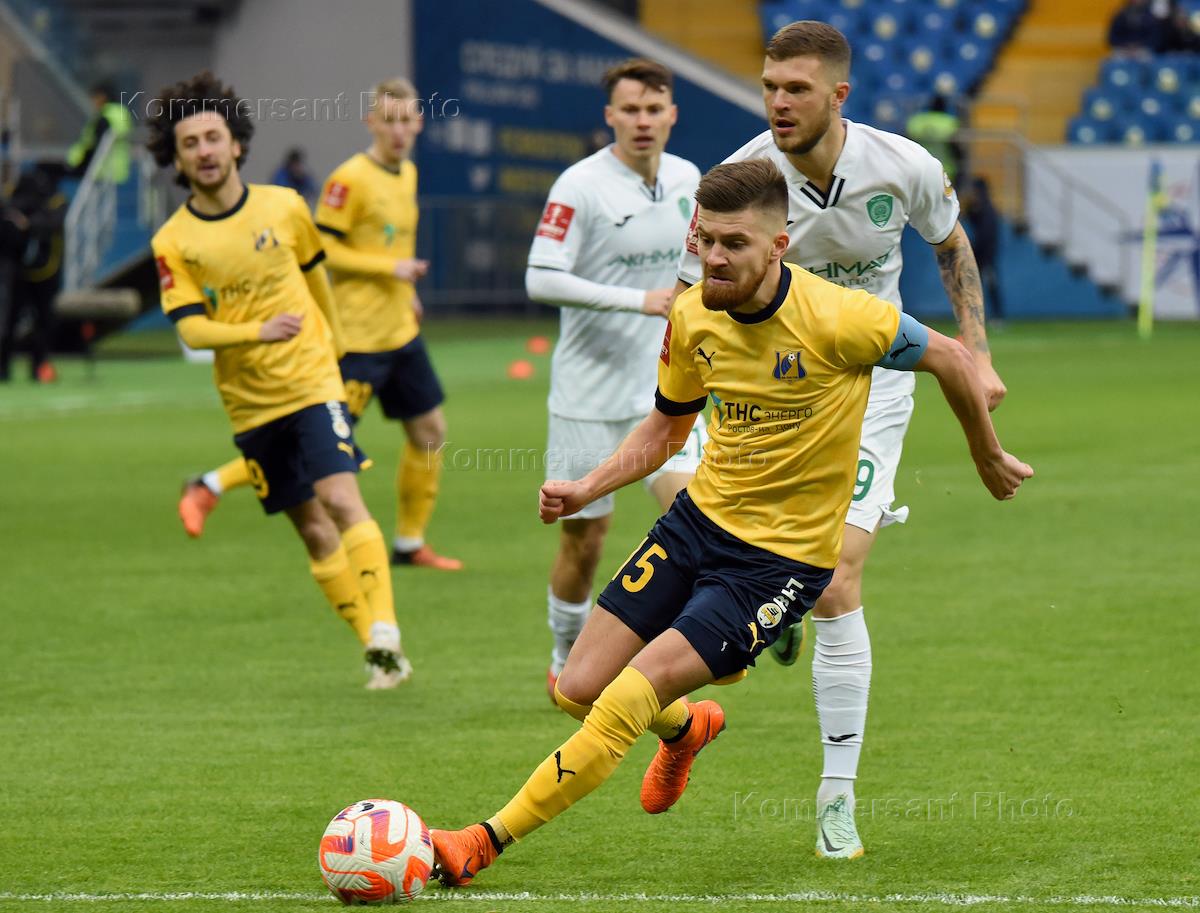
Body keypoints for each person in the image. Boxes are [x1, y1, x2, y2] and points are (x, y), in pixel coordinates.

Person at [428, 159, 1033, 885]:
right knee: (577, 687)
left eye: (735, 243)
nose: (715, 257)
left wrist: (986, 455)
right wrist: (587, 484)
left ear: (779, 245)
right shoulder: (692, 316)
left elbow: (952, 357)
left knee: (628, 695)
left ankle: (481, 842)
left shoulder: (842, 318)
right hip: (696, 524)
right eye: (707, 240)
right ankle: (689, 727)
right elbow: (665, 429)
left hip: (776, 563)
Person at [673, 20, 1007, 859]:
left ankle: (836, 800)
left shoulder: (903, 165)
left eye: (796, 88)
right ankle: (779, 598)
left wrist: (976, 351)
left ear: (838, 95)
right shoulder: (744, 179)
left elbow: (951, 245)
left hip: (872, 384)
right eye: (769, 87)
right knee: (771, 571)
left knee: (837, 580)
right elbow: (693, 293)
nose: (778, 102)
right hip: (769, 394)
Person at [147, 71, 411, 689]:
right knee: (313, 530)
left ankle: (385, 626)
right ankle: (378, 655)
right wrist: (256, 331)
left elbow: (318, 278)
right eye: (191, 143)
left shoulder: (285, 207)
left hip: (313, 381)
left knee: (341, 500)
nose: (205, 151)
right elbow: (192, 331)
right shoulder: (173, 241)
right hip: (249, 403)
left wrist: (337, 348)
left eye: (214, 137)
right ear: (177, 160)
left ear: (236, 143)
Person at [179, 78, 461, 572]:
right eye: (388, 121)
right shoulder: (349, 180)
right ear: (370, 122)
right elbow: (324, 250)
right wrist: (389, 270)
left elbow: (391, 244)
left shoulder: (409, 173)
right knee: (314, 448)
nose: (398, 131)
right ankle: (209, 485)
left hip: (401, 333)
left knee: (431, 431)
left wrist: (407, 290)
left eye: (406, 120)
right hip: (356, 340)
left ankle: (410, 542)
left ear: (419, 122)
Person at [525, 58, 705, 700]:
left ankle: (717, 640)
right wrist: (639, 300)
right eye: (630, 109)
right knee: (585, 542)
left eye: (654, 109)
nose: (642, 121)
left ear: (672, 115)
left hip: (666, 392)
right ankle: (564, 656)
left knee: (698, 517)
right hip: (588, 395)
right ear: (610, 116)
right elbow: (540, 277)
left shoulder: (689, 178)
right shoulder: (580, 186)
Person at [0, 162, 66, 382]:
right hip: (18, 272)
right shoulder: (14, 200)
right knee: (10, 320)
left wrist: (28, 223)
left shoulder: (56, 201)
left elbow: (52, 223)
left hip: (47, 272)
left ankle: (39, 366)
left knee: (44, 322)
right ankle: (3, 367)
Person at [67, 81, 133, 183]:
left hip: (101, 171)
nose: (92, 101)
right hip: (118, 172)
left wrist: (78, 165)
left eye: (94, 97)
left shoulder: (105, 118)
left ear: (102, 97)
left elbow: (96, 146)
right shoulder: (120, 113)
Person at [960, 176, 1004, 325]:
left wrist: (980, 254)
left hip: (986, 256)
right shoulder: (979, 208)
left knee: (989, 285)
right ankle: (976, 316)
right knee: (977, 286)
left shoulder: (987, 210)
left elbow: (986, 237)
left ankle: (997, 316)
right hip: (981, 255)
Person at [905, 94, 962, 183]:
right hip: (945, 169)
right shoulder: (950, 122)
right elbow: (955, 148)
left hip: (919, 168)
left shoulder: (916, 120)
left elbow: (907, 143)